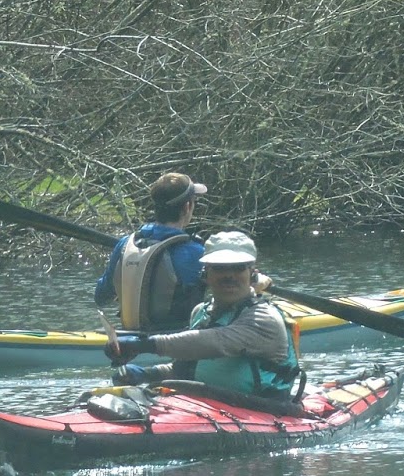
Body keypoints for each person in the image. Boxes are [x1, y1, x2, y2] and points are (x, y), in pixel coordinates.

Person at [104, 229, 302, 402]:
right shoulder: (201, 312)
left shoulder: (263, 319)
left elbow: (213, 342)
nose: (229, 275)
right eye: (219, 268)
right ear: (206, 274)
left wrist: (144, 344)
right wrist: (146, 374)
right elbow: (189, 368)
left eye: (238, 267)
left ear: (252, 273)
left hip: (263, 411)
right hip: (210, 408)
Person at [94, 172, 208, 332]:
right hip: (178, 342)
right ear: (187, 207)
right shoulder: (197, 252)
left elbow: (101, 297)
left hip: (129, 337)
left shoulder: (125, 244)